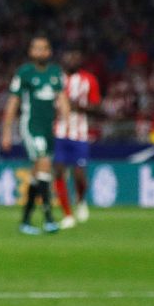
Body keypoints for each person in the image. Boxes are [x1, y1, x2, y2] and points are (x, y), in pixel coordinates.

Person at [0, 35, 70, 235]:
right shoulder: (25, 73)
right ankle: (48, 218)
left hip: (48, 128)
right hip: (31, 127)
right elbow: (13, 103)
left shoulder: (55, 73)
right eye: (36, 48)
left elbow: (62, 99)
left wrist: (66, 121)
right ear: (31, 52)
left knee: (36, 173)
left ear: (49, 51)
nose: (40, 52)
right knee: (44, 165)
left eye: (44, 48)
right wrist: (6, 132)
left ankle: (25, 220)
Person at [52, 46, 100, 229]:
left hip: (79, 134)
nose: (72, 60)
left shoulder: (89, 80)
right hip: (58, 133)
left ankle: (80, 200)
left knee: (79, 174)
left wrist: (77, 106)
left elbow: (96, 107)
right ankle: (67, 215)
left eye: (75, 57)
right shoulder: (55, 78)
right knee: (58, 171)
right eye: (69, 56)